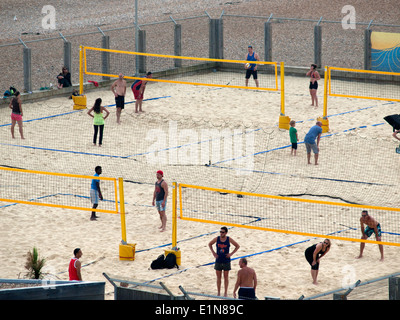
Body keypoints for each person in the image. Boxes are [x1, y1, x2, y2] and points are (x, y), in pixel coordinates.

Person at [208, 227, 240, 297]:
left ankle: (225, 293)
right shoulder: (217, 238)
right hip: (218, 260)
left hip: (226, 260)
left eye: (222, 232)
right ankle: (219, 292)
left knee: (226, 277)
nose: (221, 233)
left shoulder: (228, 239)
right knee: (218, 277)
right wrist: (214, 253)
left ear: (226, 233)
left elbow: (237, 246)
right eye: (220, 232)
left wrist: (231, 254)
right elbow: (210, 244)